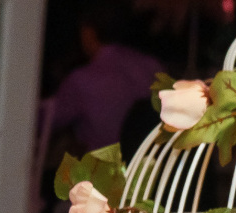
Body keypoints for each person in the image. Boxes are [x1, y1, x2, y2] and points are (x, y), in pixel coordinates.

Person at [42, 3, 166, 154]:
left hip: (104, 171)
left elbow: (43, 123)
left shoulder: (81, 80)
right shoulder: (152, 67)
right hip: (149, 167)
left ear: (88, 32)